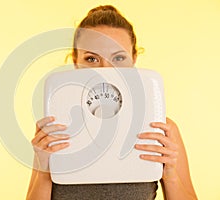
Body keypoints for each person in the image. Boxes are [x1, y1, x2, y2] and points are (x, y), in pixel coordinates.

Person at [26, 5, 197, 200]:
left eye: (118, 58)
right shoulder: (56, 129)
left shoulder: (163, 130)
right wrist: (43, 168)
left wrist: (171, 175)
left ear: (133, 59)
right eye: (91, 59)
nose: (105, 70)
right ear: (75, 61)